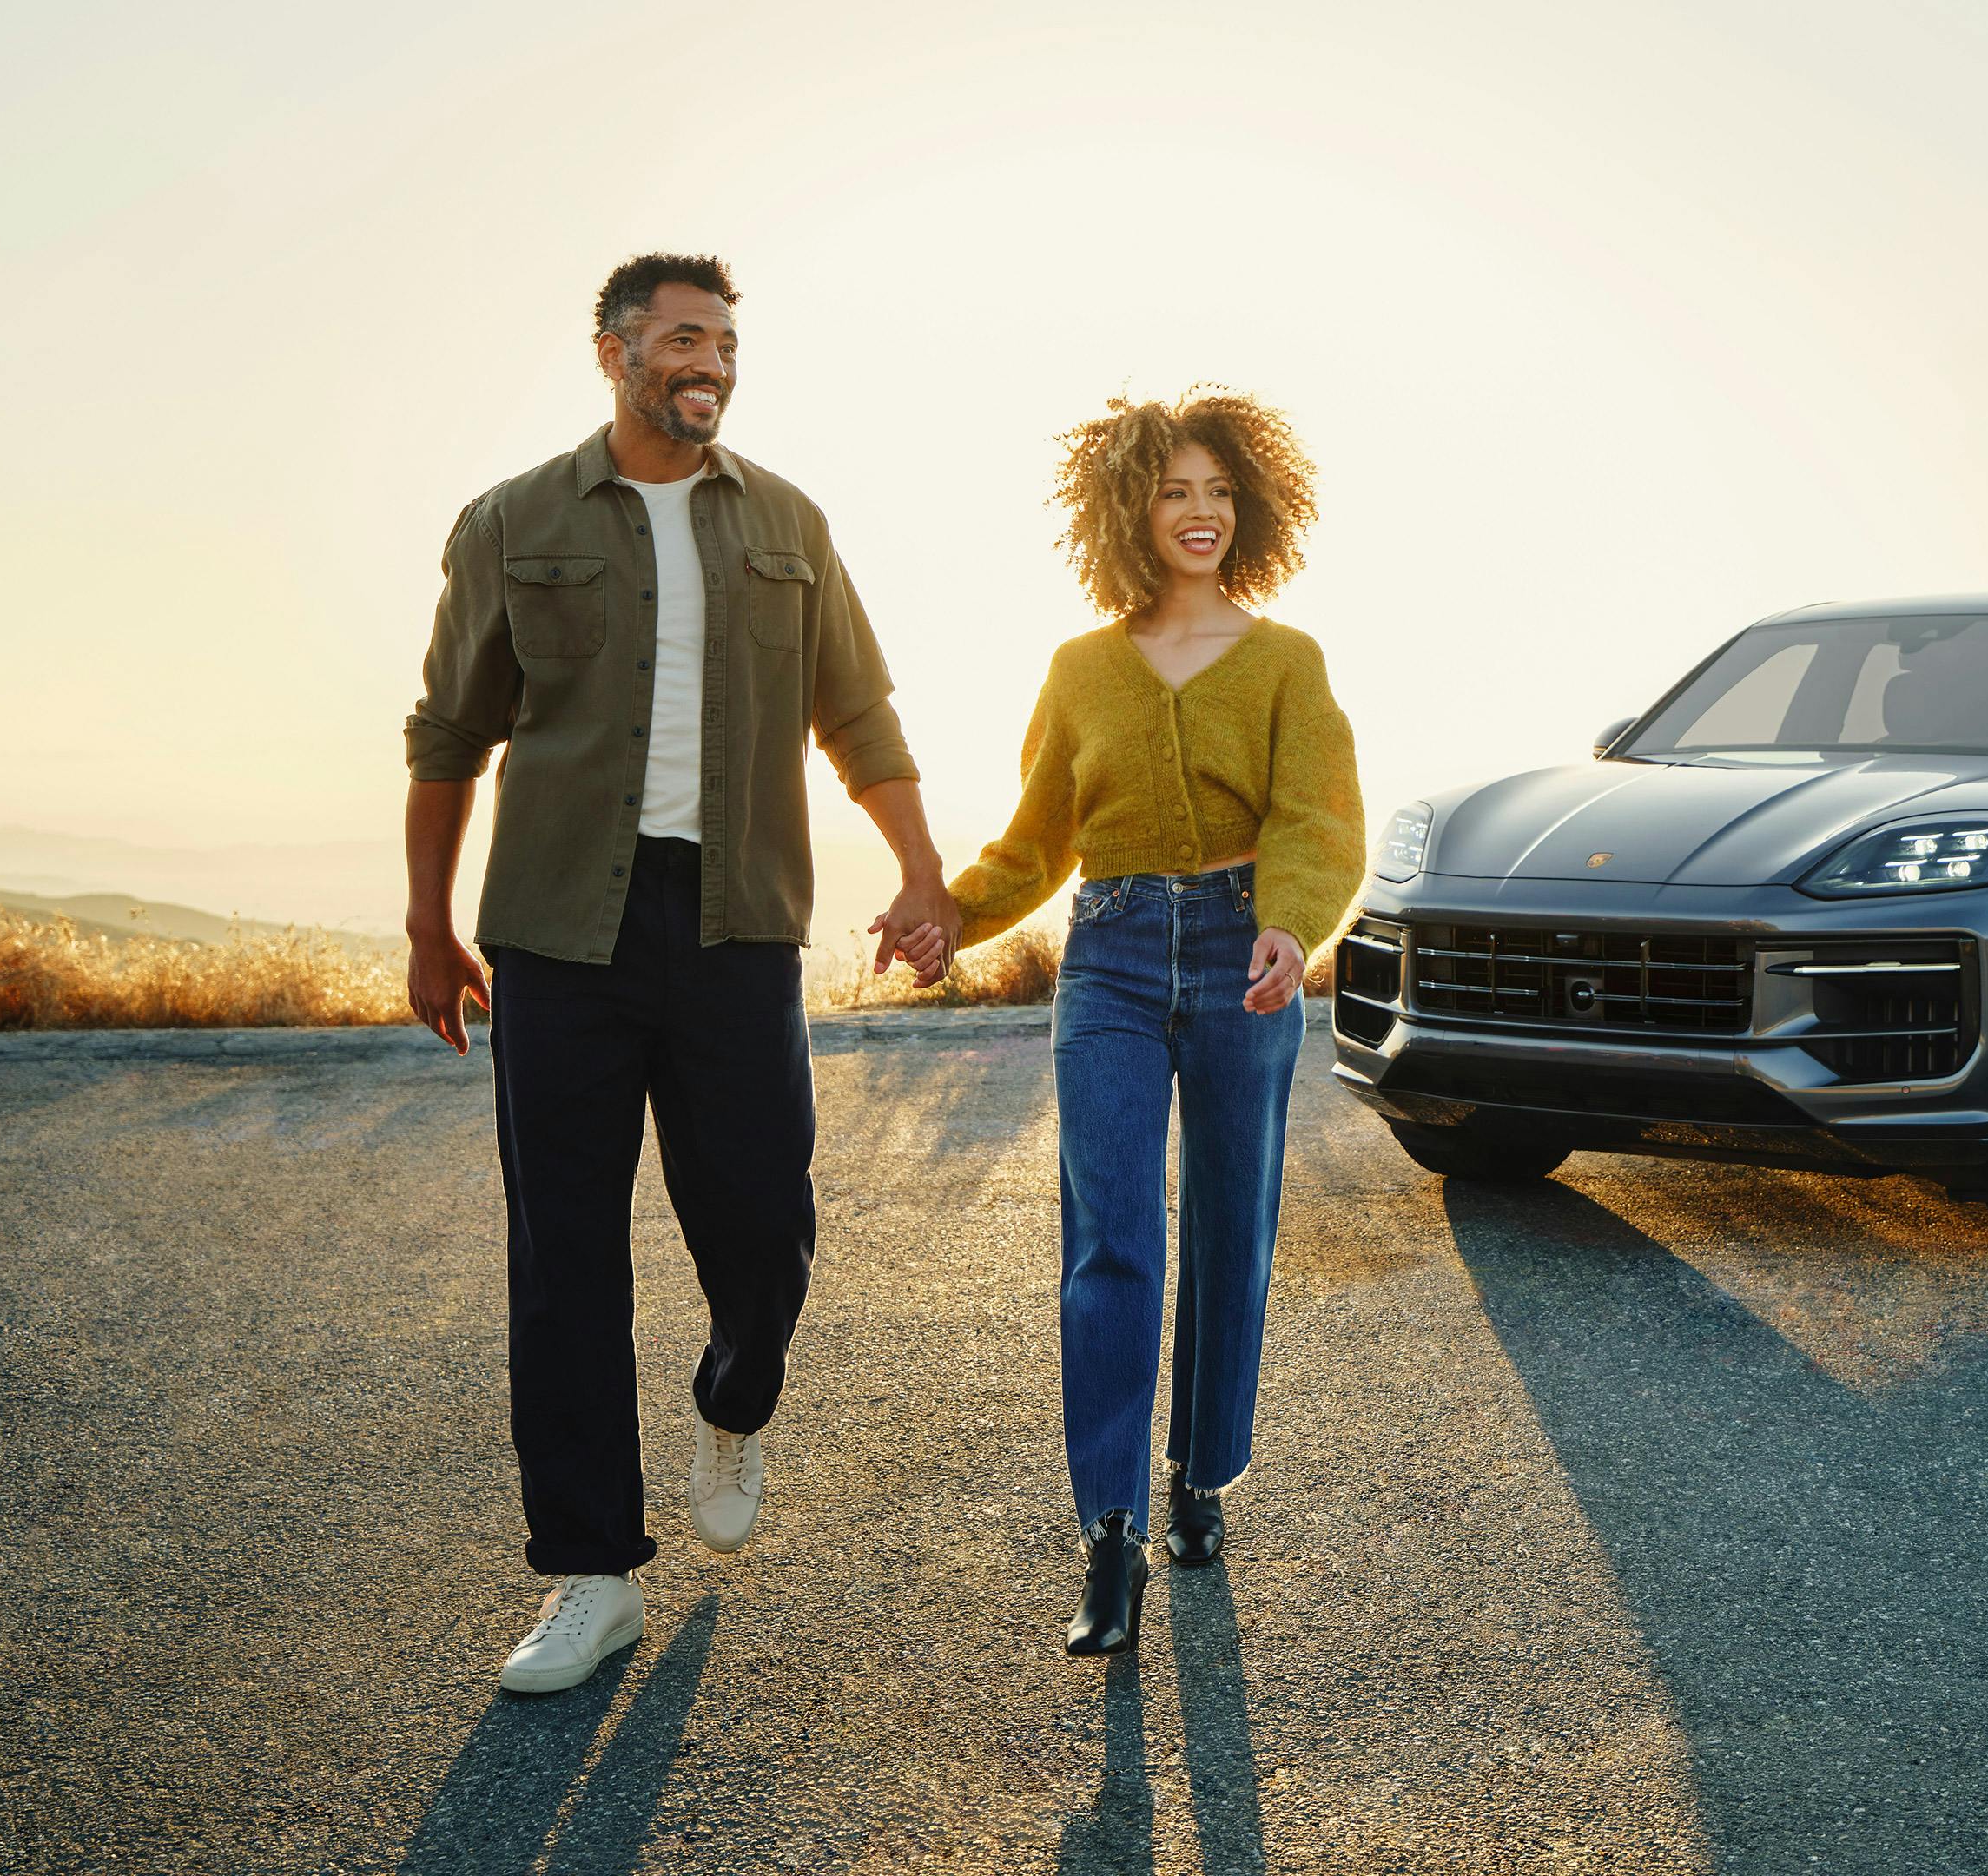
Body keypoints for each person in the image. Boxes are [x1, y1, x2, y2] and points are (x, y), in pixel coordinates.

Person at [401, 253, 961, 1694]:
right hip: (554, 938)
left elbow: (861, 711)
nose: (705, 359)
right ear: (611, 353)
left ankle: (738, 1391)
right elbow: (448, 734)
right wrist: (425, 923)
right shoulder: (514, 520)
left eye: (721, 339)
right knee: (564, 1258)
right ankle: (592, 1576)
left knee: (765, 1216)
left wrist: (917, 870)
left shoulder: (785, 521)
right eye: (677, 339)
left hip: (735, 923)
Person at [927, 390, 1364, 1655]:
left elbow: (1319, 818)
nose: (1201, 512)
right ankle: (1108, 1531)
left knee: (1234, 1225)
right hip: (1110, 957)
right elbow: (1036, 840)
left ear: (1252, 510)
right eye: (1176, 490)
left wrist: (1290, 923)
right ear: (1131, 508)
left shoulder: (1288, 662)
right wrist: (950, 918)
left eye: (1220, 491)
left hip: (1247, 953)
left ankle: (1200, 1477)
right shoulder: (1079, 671)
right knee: (1111, 1235)